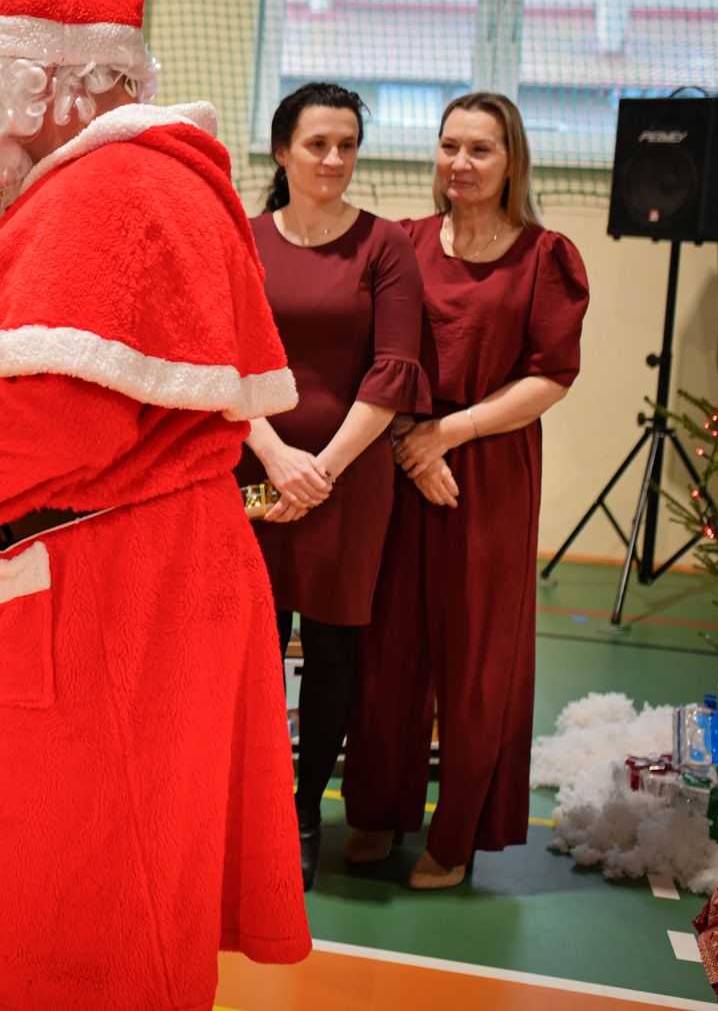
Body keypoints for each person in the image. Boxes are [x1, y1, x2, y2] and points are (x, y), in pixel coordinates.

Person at [0, 0, 311, 1008]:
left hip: (108, 605)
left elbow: (49, 416)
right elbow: (48, 364)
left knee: (91, 911)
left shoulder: (107, 191)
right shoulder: (112, 182)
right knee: (100, 893)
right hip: (121, 580)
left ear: (55, 88)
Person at [343, 91, 589, 890]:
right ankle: (377, 810)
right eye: (450, 145)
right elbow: (378, 353)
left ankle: (456, 837)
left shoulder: (546, 256)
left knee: (478, 655)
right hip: (402, 456)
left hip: (488, 467)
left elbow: (551, 375)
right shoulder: (404, 243)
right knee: (389, 646)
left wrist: (449, 434)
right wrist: (413, 444)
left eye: (480, 148)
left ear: (511, 160)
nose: (461, 162)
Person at [235, 82, 428, 891]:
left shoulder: (386, 246)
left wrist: (321, 468)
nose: (334, 159)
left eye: (347, 144)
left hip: (349, 481)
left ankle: (305, 811)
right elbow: (222, 358)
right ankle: (248, 806)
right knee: (251, 643)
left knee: (335, 647)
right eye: (318, 143)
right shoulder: (242, 238)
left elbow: (394, 368)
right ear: (283, 151)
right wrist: (275, 454)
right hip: (254, 470)